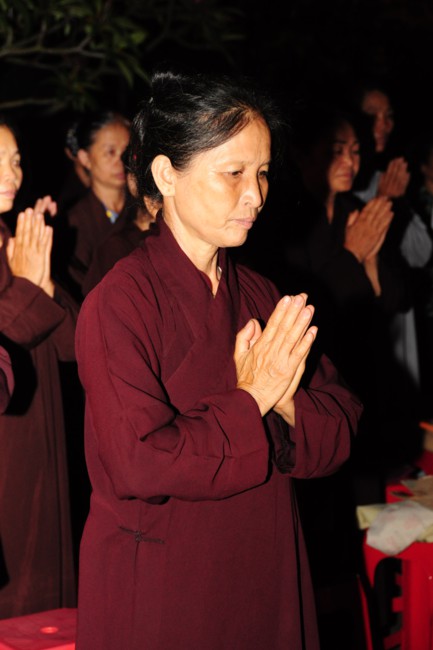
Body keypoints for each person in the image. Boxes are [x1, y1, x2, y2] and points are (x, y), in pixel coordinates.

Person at [74, 69, 363, 650]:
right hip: (165, 588)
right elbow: (139, 462)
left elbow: (342, 424)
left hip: (265, 570)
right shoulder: (120, 302)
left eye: (262, 172)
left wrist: (285, 400)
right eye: (233, 173)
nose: (255, 194)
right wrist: (252, 398)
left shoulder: (260, 293)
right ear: (166, 175)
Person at [0, 115, 77, 617]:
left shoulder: (13, 238)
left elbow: (72, 345)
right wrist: (28, 288)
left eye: (14, 161)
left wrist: (42, 281)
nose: (11, 174)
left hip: (39, 435)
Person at [61, 110, 132, 300]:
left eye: (127, 151)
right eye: (110, 152)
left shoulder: (145, 209)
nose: (121, 162)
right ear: (85, 159)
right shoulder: (74, 222)